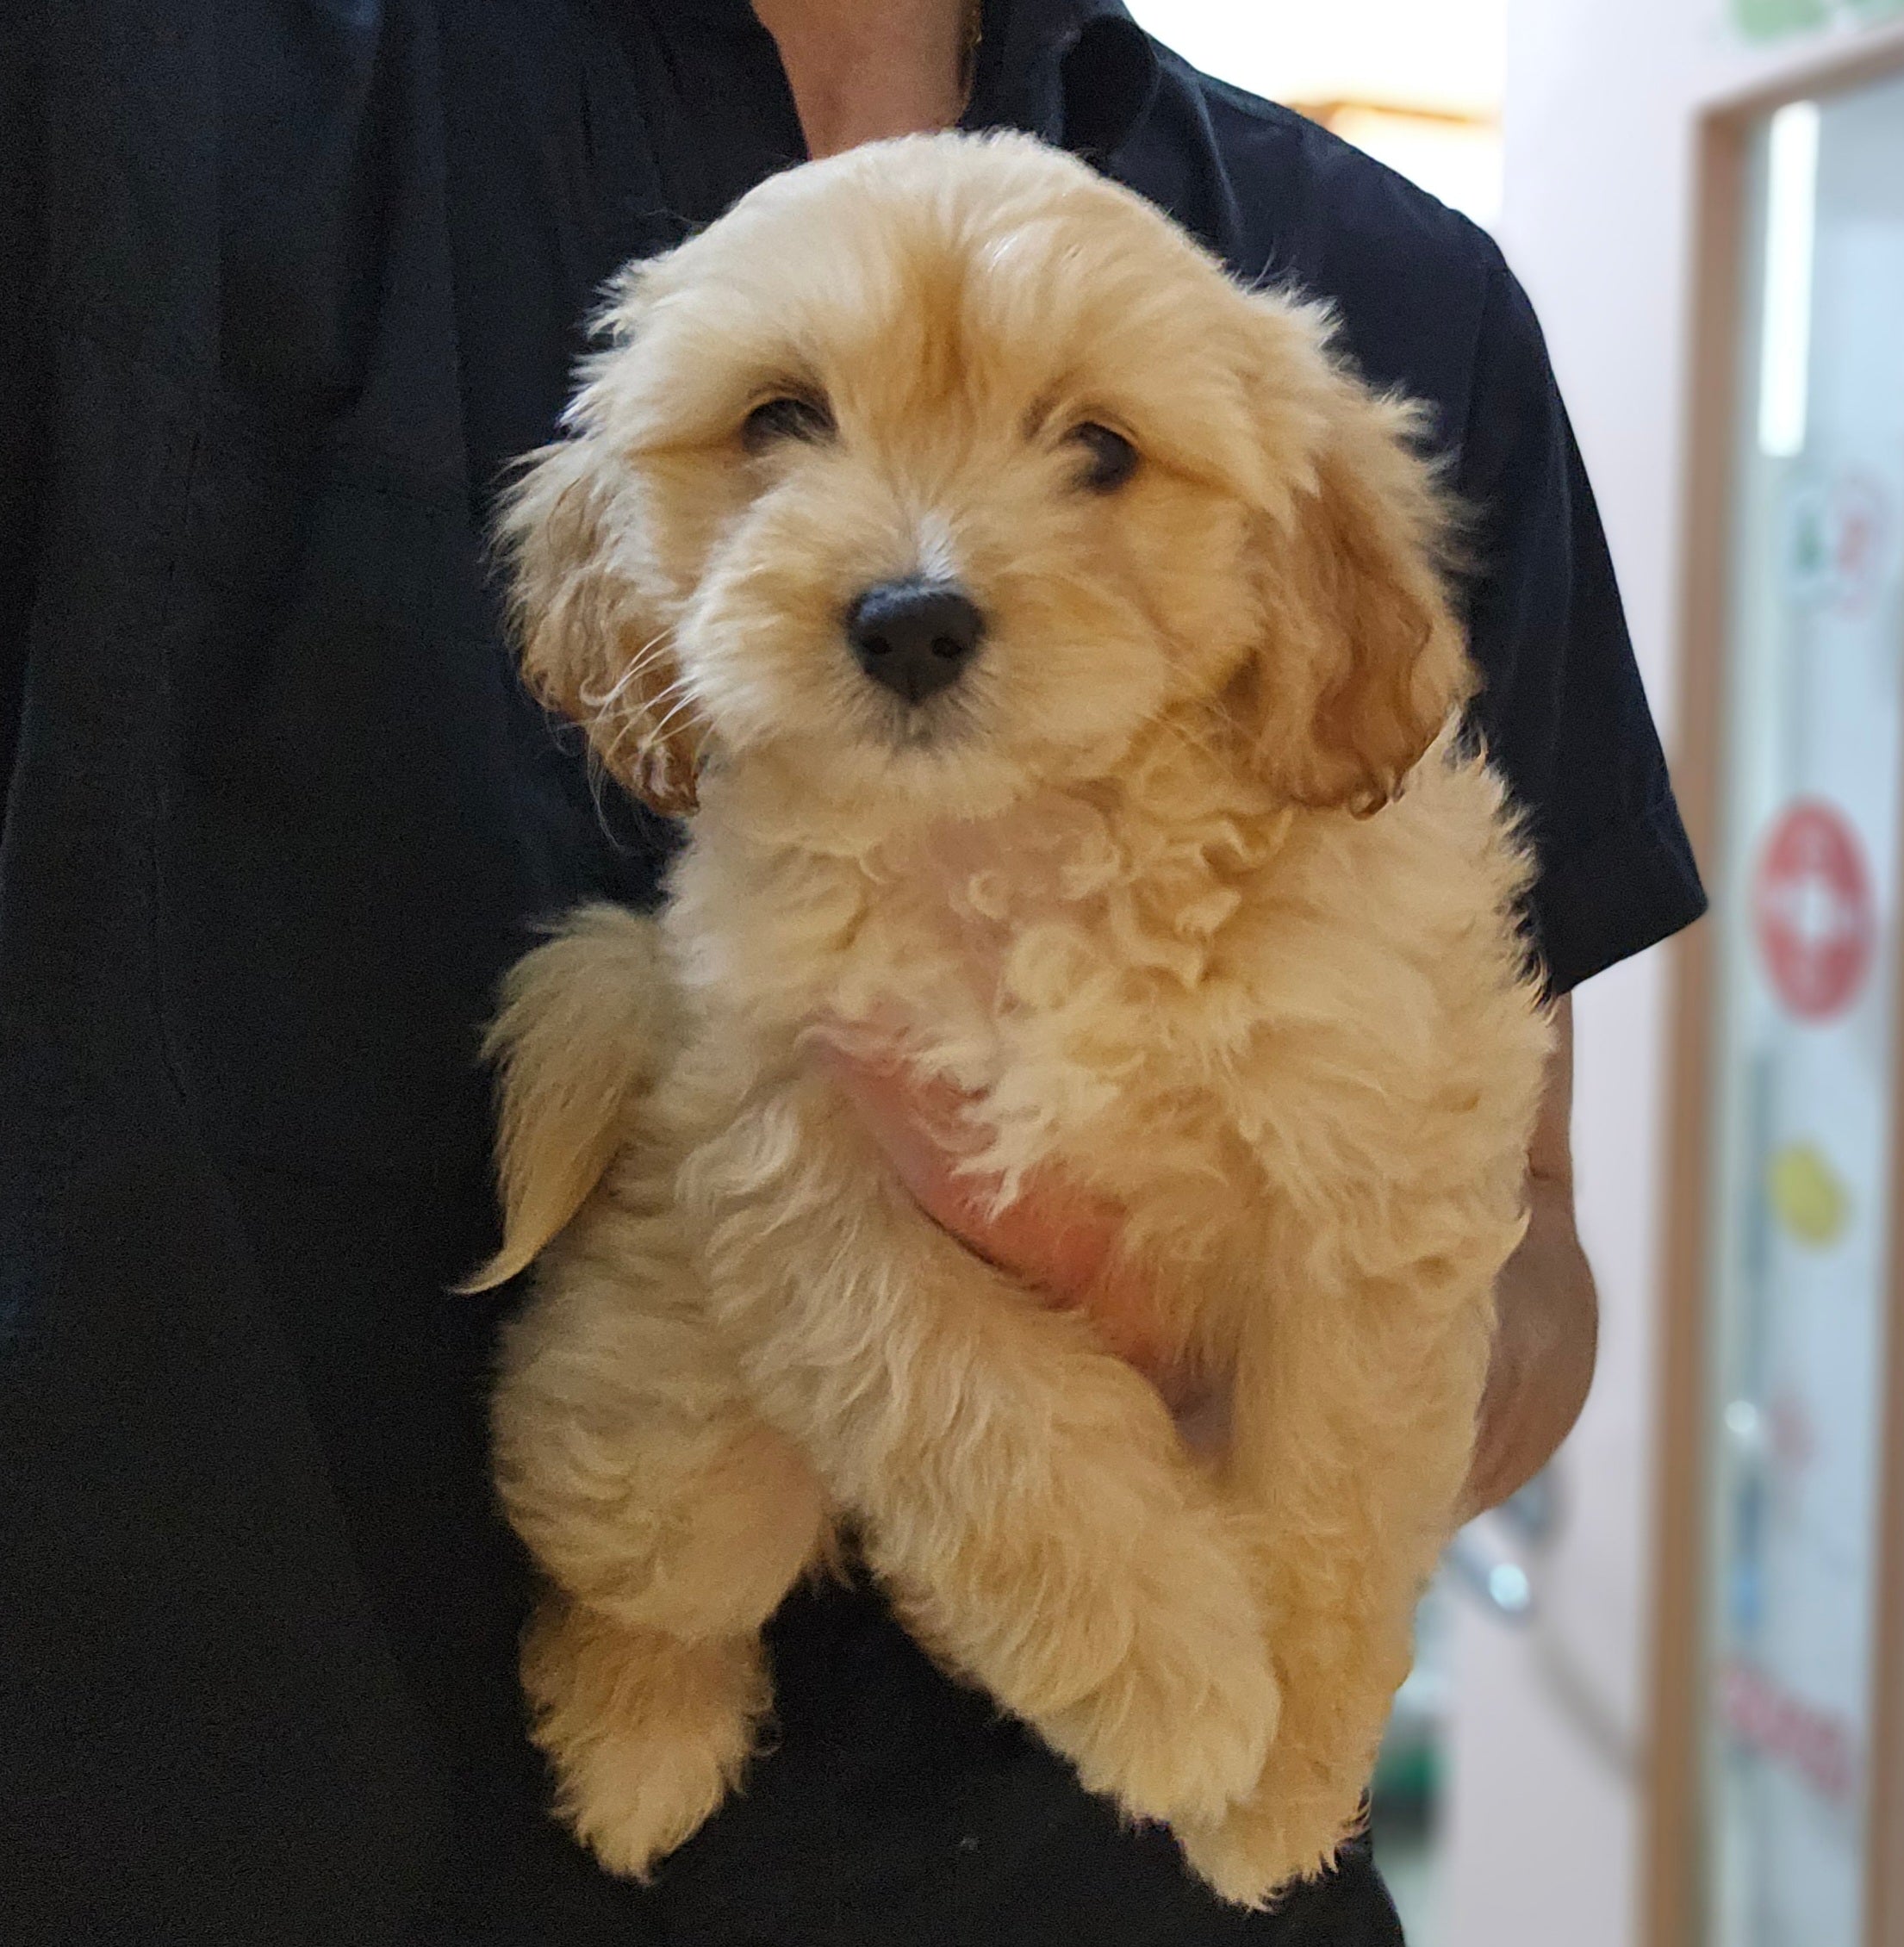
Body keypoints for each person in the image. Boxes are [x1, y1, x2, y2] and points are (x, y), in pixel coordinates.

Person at [0, 3, 1706, 1943]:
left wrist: (1271, 1449)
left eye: (1092, 453)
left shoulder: (1400, 292)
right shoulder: (116, 93)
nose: (918, 563)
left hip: (1136, 1890)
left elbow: (1525, 1238)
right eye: (779, 423)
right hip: (282, 1826)